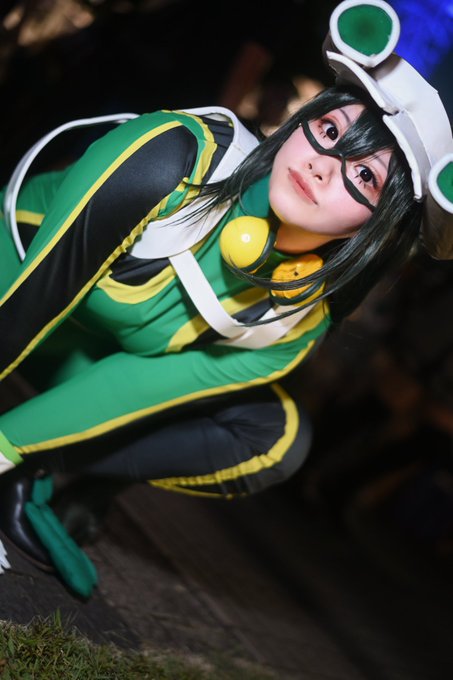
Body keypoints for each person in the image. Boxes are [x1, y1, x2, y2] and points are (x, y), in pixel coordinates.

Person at [0, 0, 451, 593]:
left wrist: (11, 448)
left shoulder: (297, 316)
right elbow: (35, 294)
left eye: (365, 176)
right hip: (15, 293)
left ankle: (53, 474)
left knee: (277, 435)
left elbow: (132, 387)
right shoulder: (174, 156)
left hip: (82, 364)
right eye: (329, 131)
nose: (324, 166)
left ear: (375, 230)